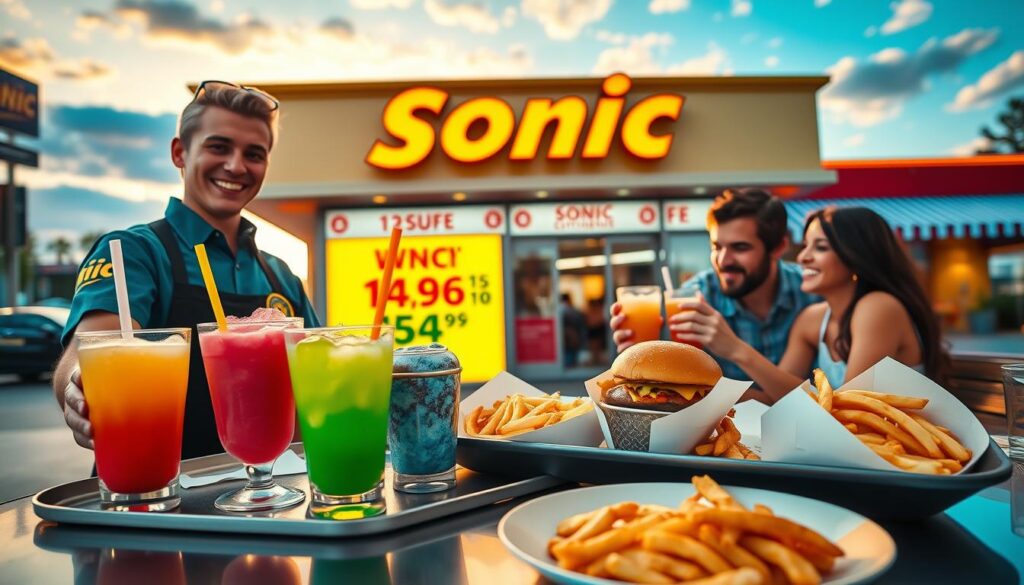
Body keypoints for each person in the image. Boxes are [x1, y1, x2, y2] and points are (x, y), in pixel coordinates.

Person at [52, 81, 320, 459]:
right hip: (159, 500)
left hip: (270, 502)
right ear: (180, 153)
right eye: (218, 147)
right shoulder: (136, 251)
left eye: (254, 154)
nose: (236, 165)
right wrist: (79, 383)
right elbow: (92, 348)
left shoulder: (281, 275)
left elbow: (317, 381)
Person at [683, 206, 948, 402]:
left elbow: (846, 409)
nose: (804, 257)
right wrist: (702, 391)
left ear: (856, 258)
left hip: (901, 457)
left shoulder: (879, 307)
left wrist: (736, 350)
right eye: (806, 245)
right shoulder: (812, 319)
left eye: (820, 247)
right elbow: (779, 399)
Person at [611, 188, 818, 384]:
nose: (724, 260)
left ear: (778, 248)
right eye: (716, 247)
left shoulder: (814, 291)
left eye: (740, 247)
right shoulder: (692, 298)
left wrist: (732, 347)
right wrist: (639, 352)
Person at [560, 293, 587, 368]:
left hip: (565, 342)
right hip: (572, 341)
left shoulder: (559, 310)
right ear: (569, 300)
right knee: (571, 361)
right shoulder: (573, 311)